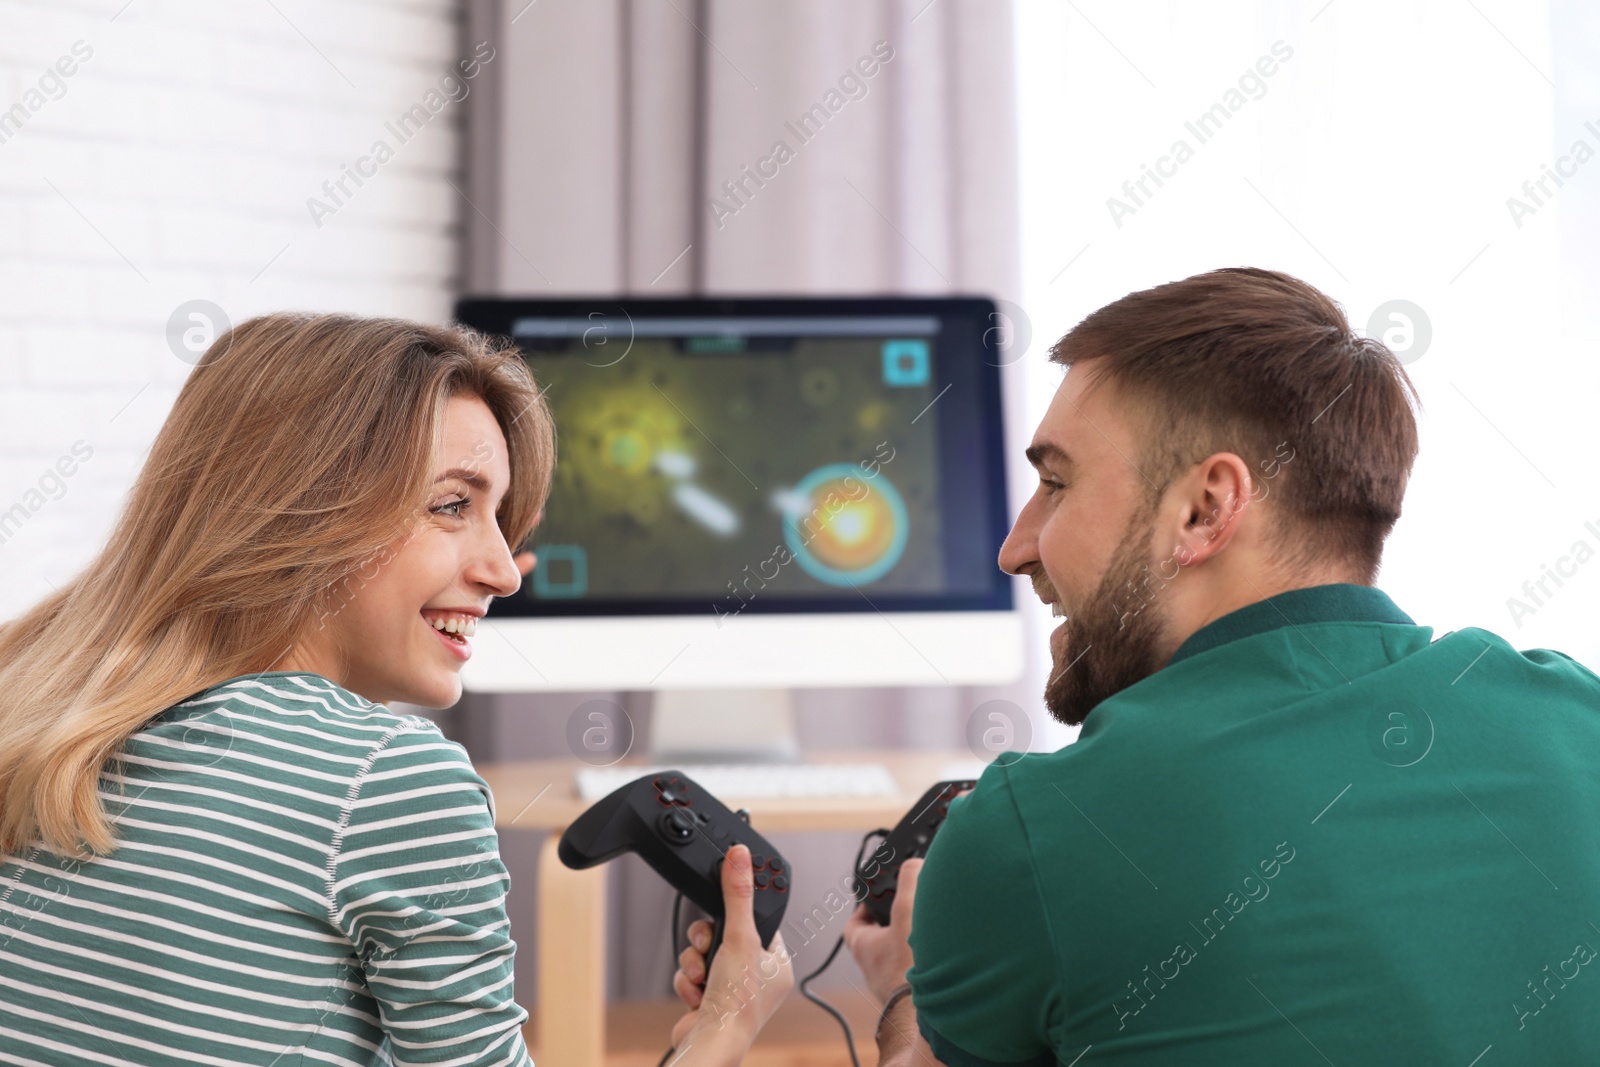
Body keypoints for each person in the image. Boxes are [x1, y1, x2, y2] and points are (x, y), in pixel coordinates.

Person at [831, 267, 1600, 1064]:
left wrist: (904, 991)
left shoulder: (1034, 832)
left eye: (1056, 483)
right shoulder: (1582, 718)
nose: (1016, 547)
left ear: (1204, 509)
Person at [0, 312, 789, 1067]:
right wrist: (724, 1025)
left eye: (504, 521)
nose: (506, 571)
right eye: (453, 505)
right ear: (304, 509)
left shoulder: (31, 700)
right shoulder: (386, 779)